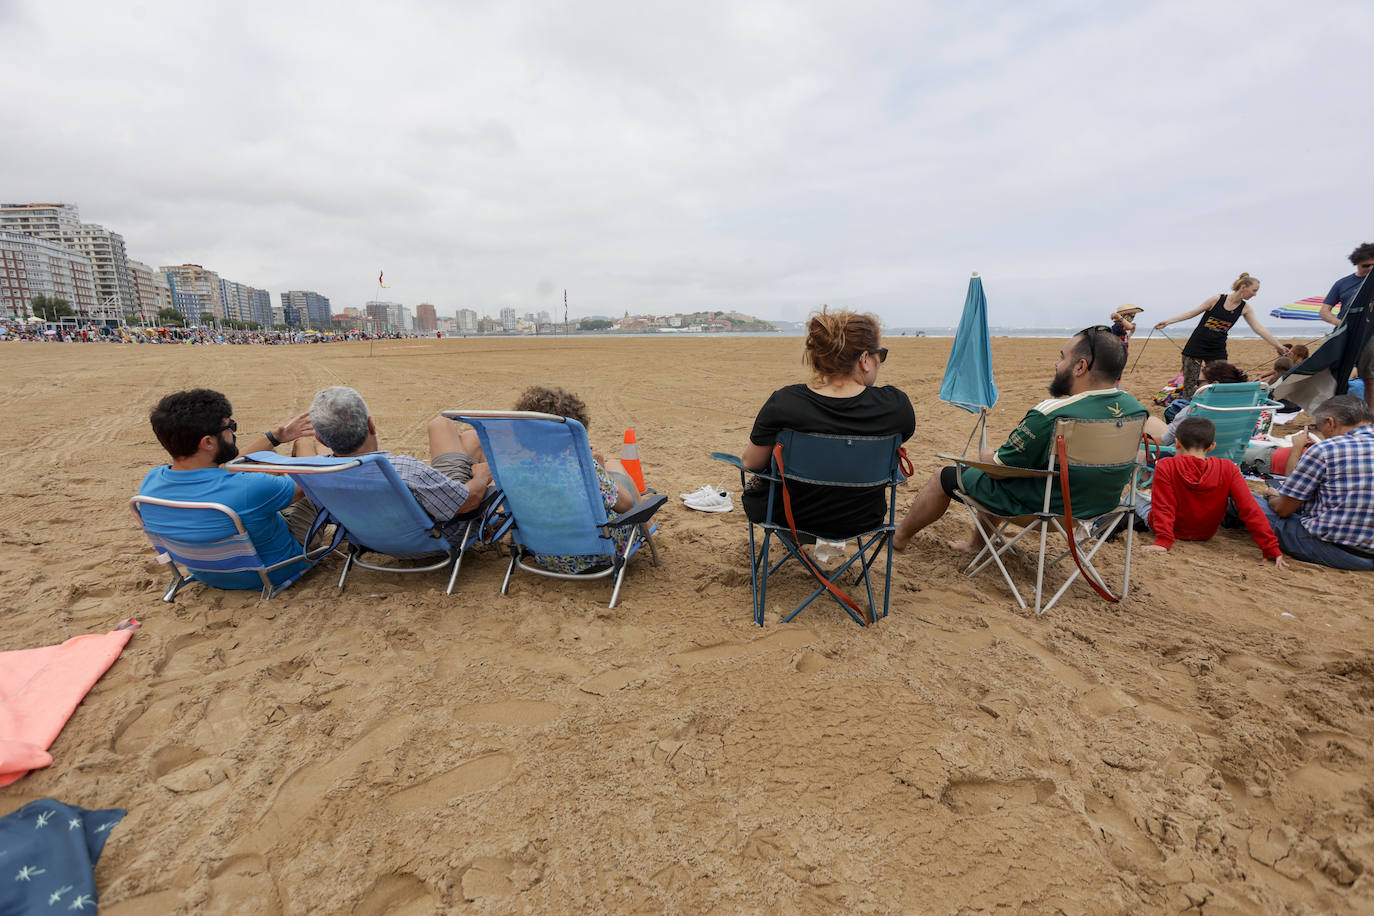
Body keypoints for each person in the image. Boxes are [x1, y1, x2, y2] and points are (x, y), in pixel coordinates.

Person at [893, 327, 1147, 551]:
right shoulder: (1136, 410)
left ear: (1080, 366)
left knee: (947, 475)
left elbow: (998, 470)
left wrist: (986, 456)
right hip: (1100, 507)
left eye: (1062, 358)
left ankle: (899, 538)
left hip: (1045, 508)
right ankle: (976, 544)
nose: (1057, 365)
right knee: (1005, 474)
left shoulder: (1053, 415)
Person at [739, 310, 915, 539]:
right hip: (863, 520)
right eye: (880, 354)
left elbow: (751, 463)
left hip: (787, 517)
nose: (880, 361)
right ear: (864, 360)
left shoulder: (785, 402)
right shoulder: (895, 406)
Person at [137, 388, 323, 591]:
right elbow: (306, 484)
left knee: (259, 461)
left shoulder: (151, 481)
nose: (233, 432)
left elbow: (222, 468)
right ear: (207, 442)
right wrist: (302, 442)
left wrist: (274, 437)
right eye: (229, 426)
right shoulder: (247, 488)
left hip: (207, 571)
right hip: (275, 570)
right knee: (311, 456)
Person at [307, 386, 492, 540]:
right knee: (468, 437)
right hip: (439, 535)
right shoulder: (402, 470)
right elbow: (468, 502)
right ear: (371, 425)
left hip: (372, 538)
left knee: (459, 434)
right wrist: (482, 476)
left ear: (321, 440)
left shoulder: (318, 473)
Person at [509, 385, 640, 573]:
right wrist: (602, 469)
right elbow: (627, 506)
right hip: (596, 554)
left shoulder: (515, 469)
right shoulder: (583, 468)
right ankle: (650, 527)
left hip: (544, 552)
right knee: (615, 466)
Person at [1136, 417, 1285, 566]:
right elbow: (1250, 508)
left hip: (1173, 531)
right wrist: (1270, 547)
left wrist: (1163, 541)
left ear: (1176, 443)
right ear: (1212, 446)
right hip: (1205, 533)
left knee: (1134, 496)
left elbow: (1164, 507)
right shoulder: (1228, 468)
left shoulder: (1166, 466)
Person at [1260, 395, 1374, 570]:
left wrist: (1271, 498)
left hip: (1336, 549)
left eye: (1320, 428)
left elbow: (1284, 509)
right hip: (1368, 553)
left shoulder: (1327, 449)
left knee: (1245, 499)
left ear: (1330, 423)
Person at [1154, 272, 1290, 398]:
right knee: (1190, 386)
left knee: (1222, 382)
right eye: (1254, 290)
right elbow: (1191, 313)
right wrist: (1168, 321)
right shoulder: (1216, 299)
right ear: (1243, 287)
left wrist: (1279, 346)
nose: (1255, 294)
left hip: (1217, 349)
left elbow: (1259, 328)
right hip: (1196, 346)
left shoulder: (1245, 308)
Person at [1318, 242, 1374, 413]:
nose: (1370, 269)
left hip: (1369, 336)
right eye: (1366, 266)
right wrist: (1340, 324)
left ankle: (1370, 417)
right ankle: (1331, 414)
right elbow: (1324, 311)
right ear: (1357, 263)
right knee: (1333, 376)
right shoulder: (1343, 283)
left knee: (1369, 377)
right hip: (1344, 335)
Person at [1143, 361, 1249, 445]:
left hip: (1184, 464)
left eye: (1199, 383)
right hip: (1226, 463)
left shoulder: (1194, 411)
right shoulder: (1242, 410)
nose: (1195, 386)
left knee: (1150, 422)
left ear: (1214, 385)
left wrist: (1137, 440)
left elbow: (1164, 442)